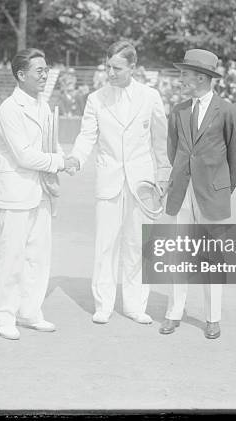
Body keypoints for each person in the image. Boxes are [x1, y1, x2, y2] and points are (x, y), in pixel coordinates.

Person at [69, 40, 170, 325]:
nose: (110, 73)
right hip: (109, 180)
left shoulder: (150, 97)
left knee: (138, 244)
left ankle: (136, 305)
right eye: (108, 67)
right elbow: (87, 136)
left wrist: (162, 175)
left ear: (132, 67)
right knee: (105, 244)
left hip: (142, 183)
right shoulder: (96, 98)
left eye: (117, 68)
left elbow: (160, 142)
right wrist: (76, 158)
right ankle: (104, 304)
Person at [161, 49, 236, 339]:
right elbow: (173, 151)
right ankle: (174, 312)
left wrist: (221, 189)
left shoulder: (227, 111)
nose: (181, 78)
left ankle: (213, 318)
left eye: (185, 74)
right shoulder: (178, 110)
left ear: (201, 78)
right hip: (182, 193)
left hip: (212, 197)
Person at [0, 48, 75, 340]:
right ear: (21, 75)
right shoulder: (9, 109)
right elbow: (25, 157)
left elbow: (51, 145)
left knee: (38, 256)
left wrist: (65, 159)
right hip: (16, 192)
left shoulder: (43, 105)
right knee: (12, 256)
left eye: (46, 69)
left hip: (42, 192)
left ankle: (29, 312)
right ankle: (4, 315)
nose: (44, 74)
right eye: (38, 70)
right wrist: (62, 163)